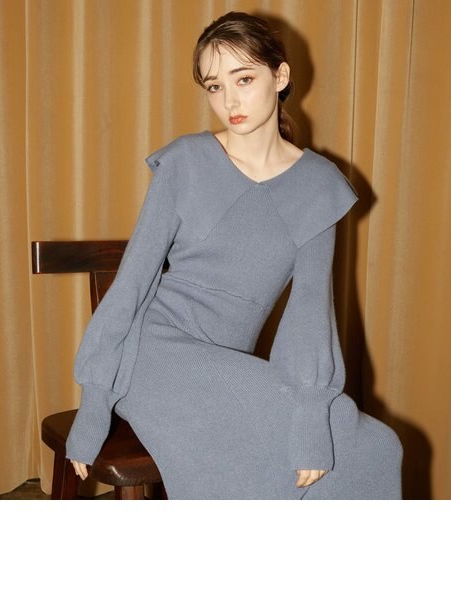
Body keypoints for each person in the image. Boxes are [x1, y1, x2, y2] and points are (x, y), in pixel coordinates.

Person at [66, 11, 403, 499]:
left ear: (280, 76)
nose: (229, 101)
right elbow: (133, 283)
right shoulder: (185, 162)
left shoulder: (318, 186)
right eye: (214, 86)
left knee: (378, 447)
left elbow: (310, 310)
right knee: (360, 444)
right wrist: (95, 401)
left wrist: (312, 412)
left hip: (225, 364)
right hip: (152, 355)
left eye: (243, 79)